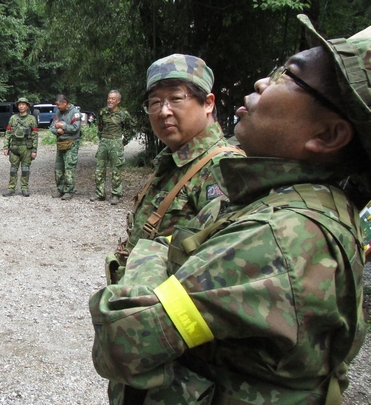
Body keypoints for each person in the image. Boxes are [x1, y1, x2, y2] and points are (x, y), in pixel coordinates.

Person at [90, 15, 370, 404]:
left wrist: (149, 253)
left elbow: (122, 339)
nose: (262, 83)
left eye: (287, 75)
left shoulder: (277, 231)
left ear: (328, 134)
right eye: (155, 102)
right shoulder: (281, 198)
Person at [109, 54, 245, 286]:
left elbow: (221, 275)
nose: (164, 112)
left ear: (208, 103)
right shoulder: (172, 161)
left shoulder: (223, 168)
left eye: (176, 98)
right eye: (155, 102)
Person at [91, 90, 133, 205]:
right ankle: (100, 194)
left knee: (116, 170)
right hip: (104, 142)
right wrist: (102, 138)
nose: (110, 100)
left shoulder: (123, 114)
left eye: (113, 99)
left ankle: (116, 194)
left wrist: (123, 142)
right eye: (109, 98)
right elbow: (100, 126)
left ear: (118, 101)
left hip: (116, 142)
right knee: (99, 169)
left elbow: (131, 129)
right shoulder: (103, 112)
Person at [2, 97, 39, 197]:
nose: (21, 106)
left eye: (23, 104)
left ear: (27, 106)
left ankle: (24, 188)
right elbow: (8, 133)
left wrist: (34, 150)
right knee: (13, 169)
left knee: (25, 169)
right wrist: (5, 147)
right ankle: (11, 188)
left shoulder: (32, 119)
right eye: (19, 104)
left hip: (26, 147)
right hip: (14, 147)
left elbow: (35, 135)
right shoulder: (13, 118)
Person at [49, 94, 82, 200]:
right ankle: (60, 189)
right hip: (61, 143)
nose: (57, 107)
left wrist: (63, 126)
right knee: (58, 168)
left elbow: (75, 128)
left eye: (59, 105)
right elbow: (52, 127)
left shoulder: (75, 113)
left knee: (69, 167)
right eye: (56, 105)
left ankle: (68, 191)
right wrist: (58, 131)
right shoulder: (58, 113)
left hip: (72, 143)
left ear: (65, 103)